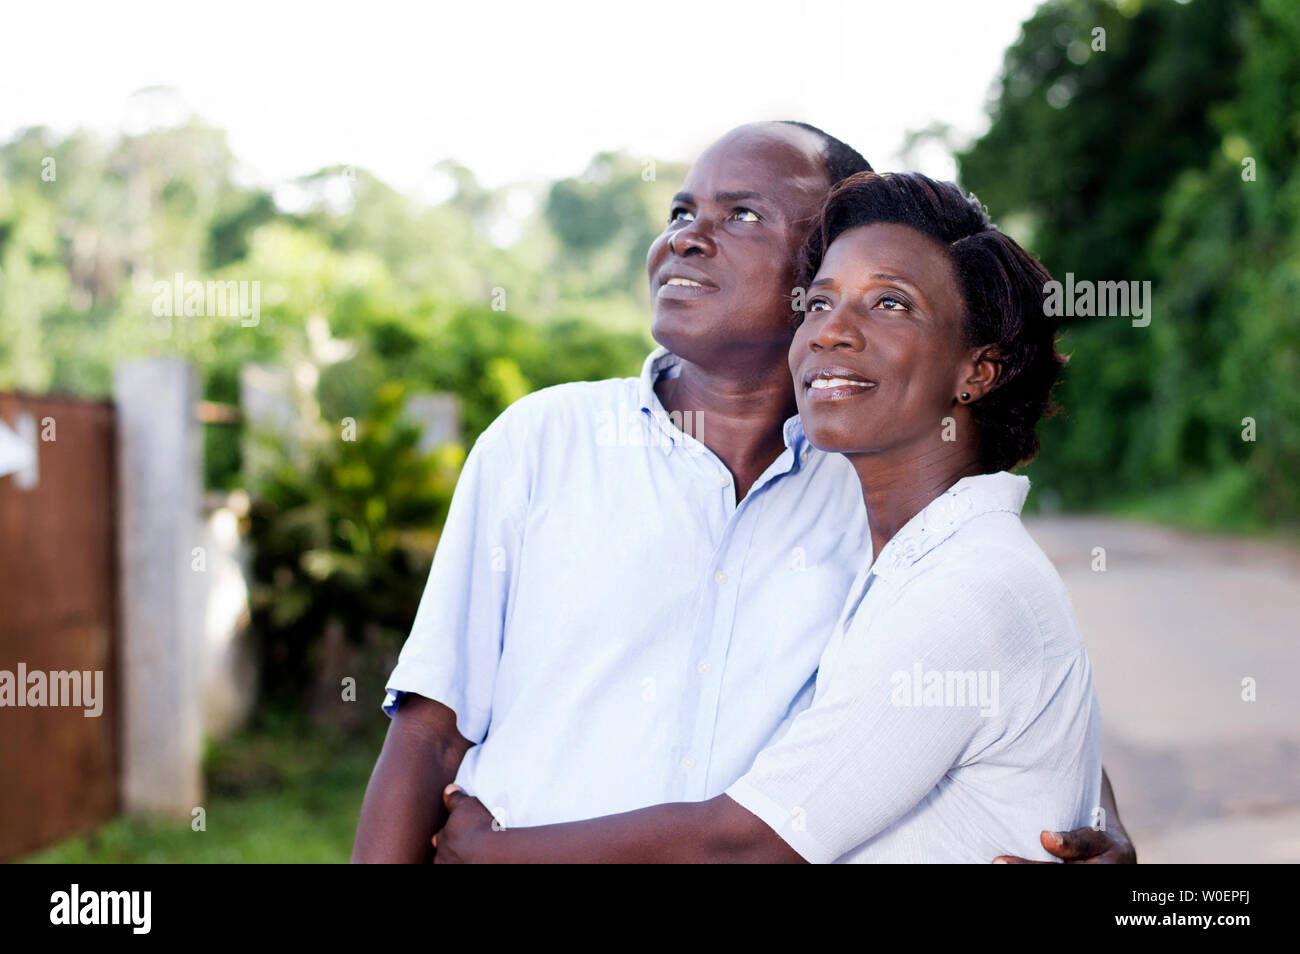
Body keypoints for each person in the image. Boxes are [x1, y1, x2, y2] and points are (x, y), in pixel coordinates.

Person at [351, 125, 1133, 864]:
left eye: (743, 215)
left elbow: (976, 677)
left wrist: (1082, 817)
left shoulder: (881, 484)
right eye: (682, 211)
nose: (686, 237)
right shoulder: (542, 443)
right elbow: (428, 735)